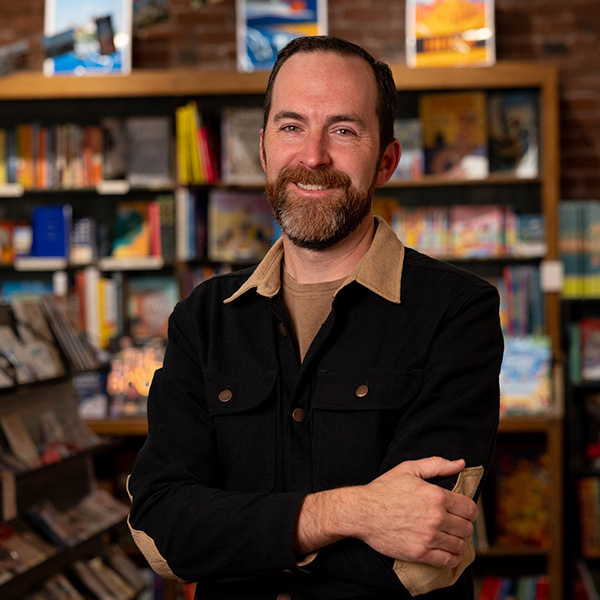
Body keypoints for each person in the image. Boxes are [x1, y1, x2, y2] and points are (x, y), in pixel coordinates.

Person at [127, 36, 504, 600]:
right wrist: (353, 511)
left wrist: (236, 533)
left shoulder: (457, 312)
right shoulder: (202, 319)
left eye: (344, 130)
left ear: (387, 161)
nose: (313, 156)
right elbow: (163, 531)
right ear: (262, 149)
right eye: (291, 126)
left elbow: (421, 555)